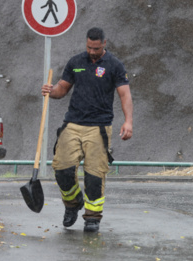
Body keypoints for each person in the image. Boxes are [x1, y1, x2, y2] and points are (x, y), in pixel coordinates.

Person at [41, 27, 133, 233]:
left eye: (97, 48)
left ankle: (92, 217)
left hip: (98, 127)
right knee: (62, 169)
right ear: (86, 43)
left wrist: (128, 121)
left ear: (104, 43)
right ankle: (73, 203)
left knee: (94, 175)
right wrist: (51, 90)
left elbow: (125, 95)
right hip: (72, 123)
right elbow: (62, 89)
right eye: (90, 47)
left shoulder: (114, 65)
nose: (92, 51)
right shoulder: (76, 62)